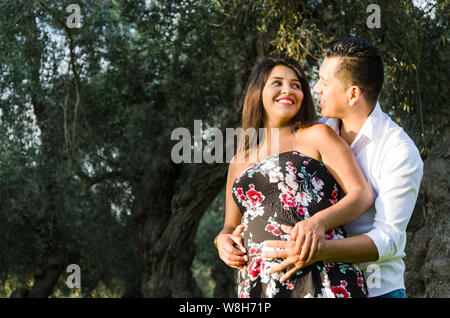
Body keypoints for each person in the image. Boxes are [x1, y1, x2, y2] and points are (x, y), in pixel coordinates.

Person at [262, 37, 424, 298]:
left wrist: (318, 248)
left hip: (377, 290)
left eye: (324, 82)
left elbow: (390, 240)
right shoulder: (316, 132)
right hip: (320, 286)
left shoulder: (399, 151)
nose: (316, 89)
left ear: (353, 94)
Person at [215, 53, 374, 298]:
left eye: (296, 85)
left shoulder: (317, 135)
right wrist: (222, 242)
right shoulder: (238, 162)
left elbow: (361, 195)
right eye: (277, 83)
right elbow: (230, 225)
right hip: (259, 284)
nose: (288, 90)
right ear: (258, 92)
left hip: (320, 276)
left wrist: (318, 222)